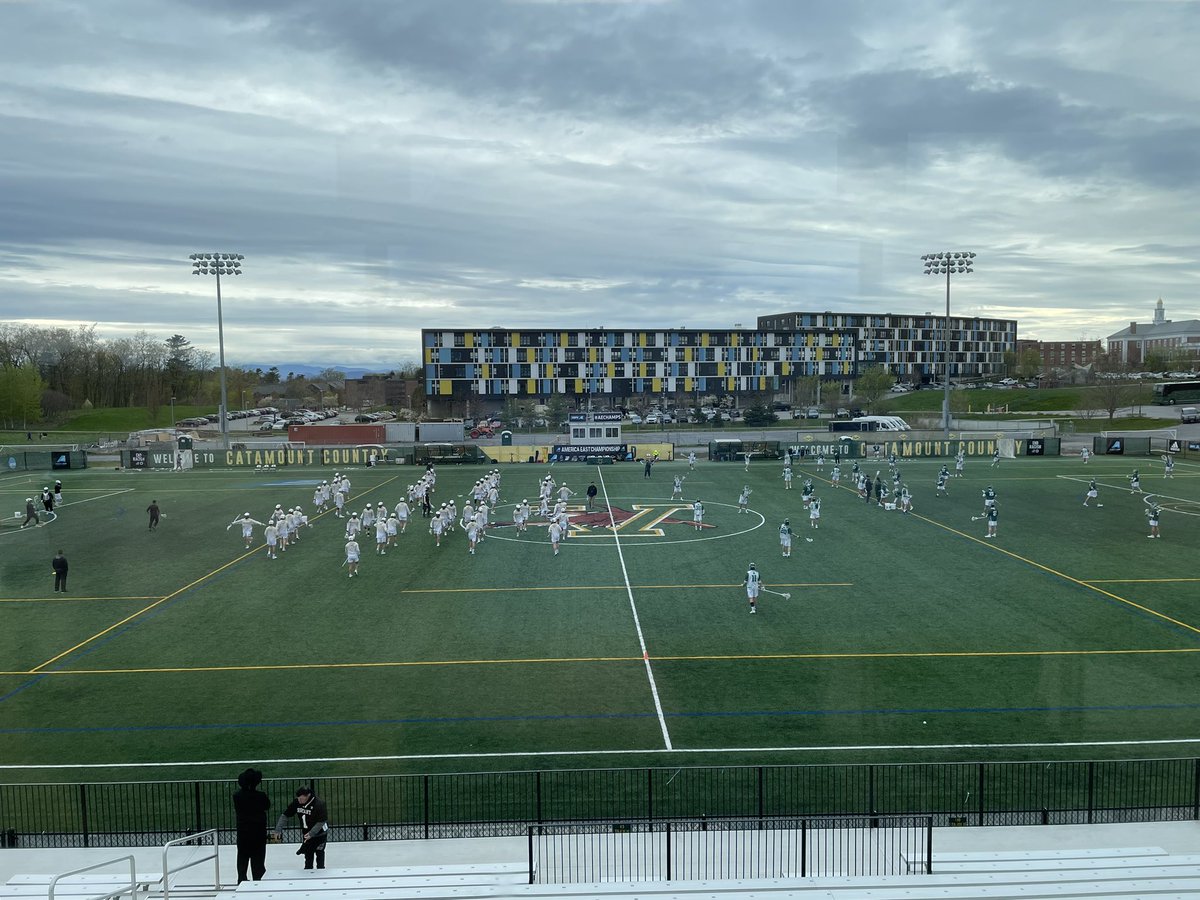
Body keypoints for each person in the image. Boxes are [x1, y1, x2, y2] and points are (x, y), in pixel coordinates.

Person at [275, 786, 328, 871]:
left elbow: (321, 821)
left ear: (308, 796)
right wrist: (278, 830)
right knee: (308, 856)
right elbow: (285, 815)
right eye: (298, 798)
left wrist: (312, 833)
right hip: (306, 833)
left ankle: (320, 872)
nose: (299, 800)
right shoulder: (297, 803)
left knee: (319, 854)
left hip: (320, 834)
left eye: (301, 798)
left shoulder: (319, 804)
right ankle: (308, 872)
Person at [233, 767, 270, 883]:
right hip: (258, 833)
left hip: (243, 833)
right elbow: (267, 806)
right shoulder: (261, 796)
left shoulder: (237, 796)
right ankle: (258, 883)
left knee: (242, 859)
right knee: (258, 860)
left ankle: (242, 880)